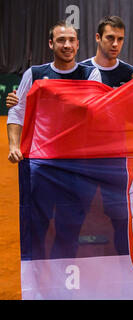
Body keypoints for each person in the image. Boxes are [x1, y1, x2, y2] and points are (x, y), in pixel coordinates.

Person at [7, 21, 102, 260]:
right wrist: (13, 145)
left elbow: (100, 110)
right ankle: (36, 278)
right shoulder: (35, 74)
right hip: (41, 164)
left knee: (69, 227)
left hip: (77, 166)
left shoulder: (90, 74)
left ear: (78, 45)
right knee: (37, 223)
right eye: (61, 40)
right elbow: (17, 111)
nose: (67, 45)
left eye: (71, 40)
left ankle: (61, 282)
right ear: (51, 44)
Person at [78, 16, 133, 255]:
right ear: (98, 38)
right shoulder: (81, 70)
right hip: (84, 157)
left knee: (120, 216)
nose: (115, 44)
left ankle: (125, 268)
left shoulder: (130, 74)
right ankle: (64, 270)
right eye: (110, 38)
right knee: (77, 212)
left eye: (120, 39)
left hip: (116, 157)